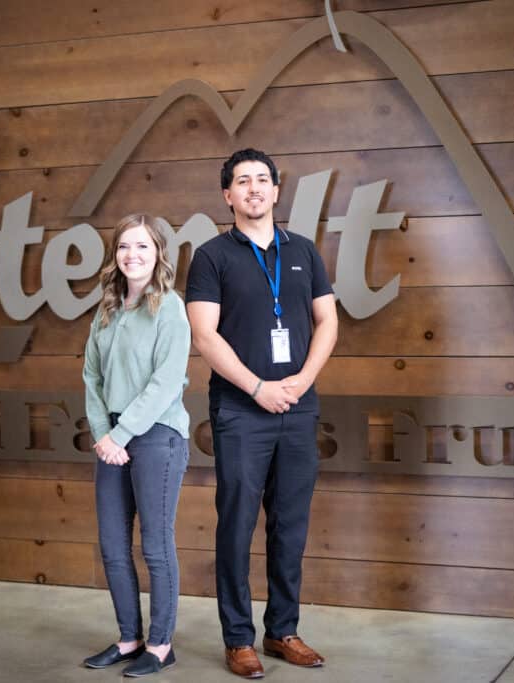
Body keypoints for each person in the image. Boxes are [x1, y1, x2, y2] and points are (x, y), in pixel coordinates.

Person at [185, 149, 338, 678]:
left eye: (262, 180)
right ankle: (237, 639)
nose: (254, 188)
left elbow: (327, 321)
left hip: (298, 406)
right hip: (240, 412)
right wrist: (257, 387)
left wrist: (302, 379)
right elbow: (204, 334)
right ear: (227, 195)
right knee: (237, 524)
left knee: (290, 525)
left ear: (276, 191)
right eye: (242, 181)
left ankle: (283, 632)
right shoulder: (210, 256)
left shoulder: (304, 251)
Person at [81, 213, 192, 678]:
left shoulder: (169, 307)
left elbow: (166, 382)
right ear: (115, 255)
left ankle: (162, 645)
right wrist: (103, 435)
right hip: (112, 442)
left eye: (143, 247)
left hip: (158, 437)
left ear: (158, 253)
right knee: (111, 546)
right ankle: (130, 639)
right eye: (125, 247)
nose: (133, 255)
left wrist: (122, 435)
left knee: (156, 546)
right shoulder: (106, 310)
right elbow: (91, 377)